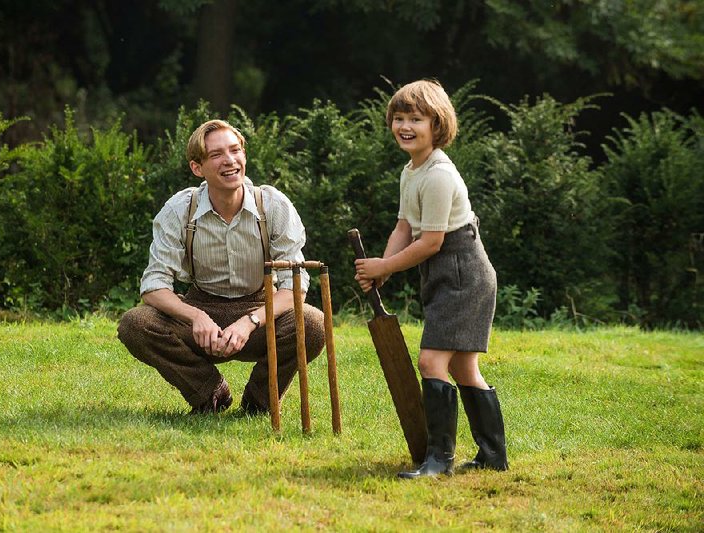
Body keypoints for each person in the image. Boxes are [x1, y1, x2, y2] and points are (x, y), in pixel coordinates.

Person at [354, 79, 508, 478]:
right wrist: (382, 267)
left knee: (431, 361)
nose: (405, 126)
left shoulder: (439, 174)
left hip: (464, 273)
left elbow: (431, 243)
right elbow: (405, 227)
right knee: (463, 369)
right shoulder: (412, 171)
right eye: (399, 118)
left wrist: (384, 267)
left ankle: (439, 460)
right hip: (446, 272)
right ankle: (493, 456)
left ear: (436, 124)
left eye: (416, 119)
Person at [118, 119, 324, 414]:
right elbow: (153, 287)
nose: (230, 161)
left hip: (258, 312)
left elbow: (294, 287)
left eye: (235, 150)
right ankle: (209, 393)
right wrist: (195, 316)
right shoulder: (179, 209)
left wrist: (249, 322)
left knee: (313, 324)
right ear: (197, 168)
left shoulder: (273, 206)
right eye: (216, 155)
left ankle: (259, 402)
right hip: (201, 308)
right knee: (135, 324)